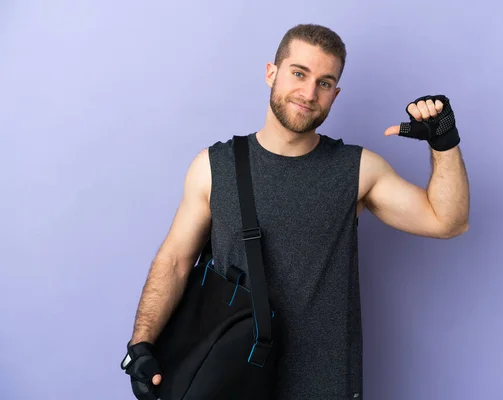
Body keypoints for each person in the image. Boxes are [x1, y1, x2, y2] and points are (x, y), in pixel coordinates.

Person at [122, 23, 470, 399]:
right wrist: (141, 344)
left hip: (324, 385)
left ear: (335, 94)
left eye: (324, 82)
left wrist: (443, 142)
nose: (308, 93)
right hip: (227, 381)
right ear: (272, 72)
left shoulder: (357, 170)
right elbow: (175, 259)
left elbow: (447, 221)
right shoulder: (214, 166)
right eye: (299, 73)